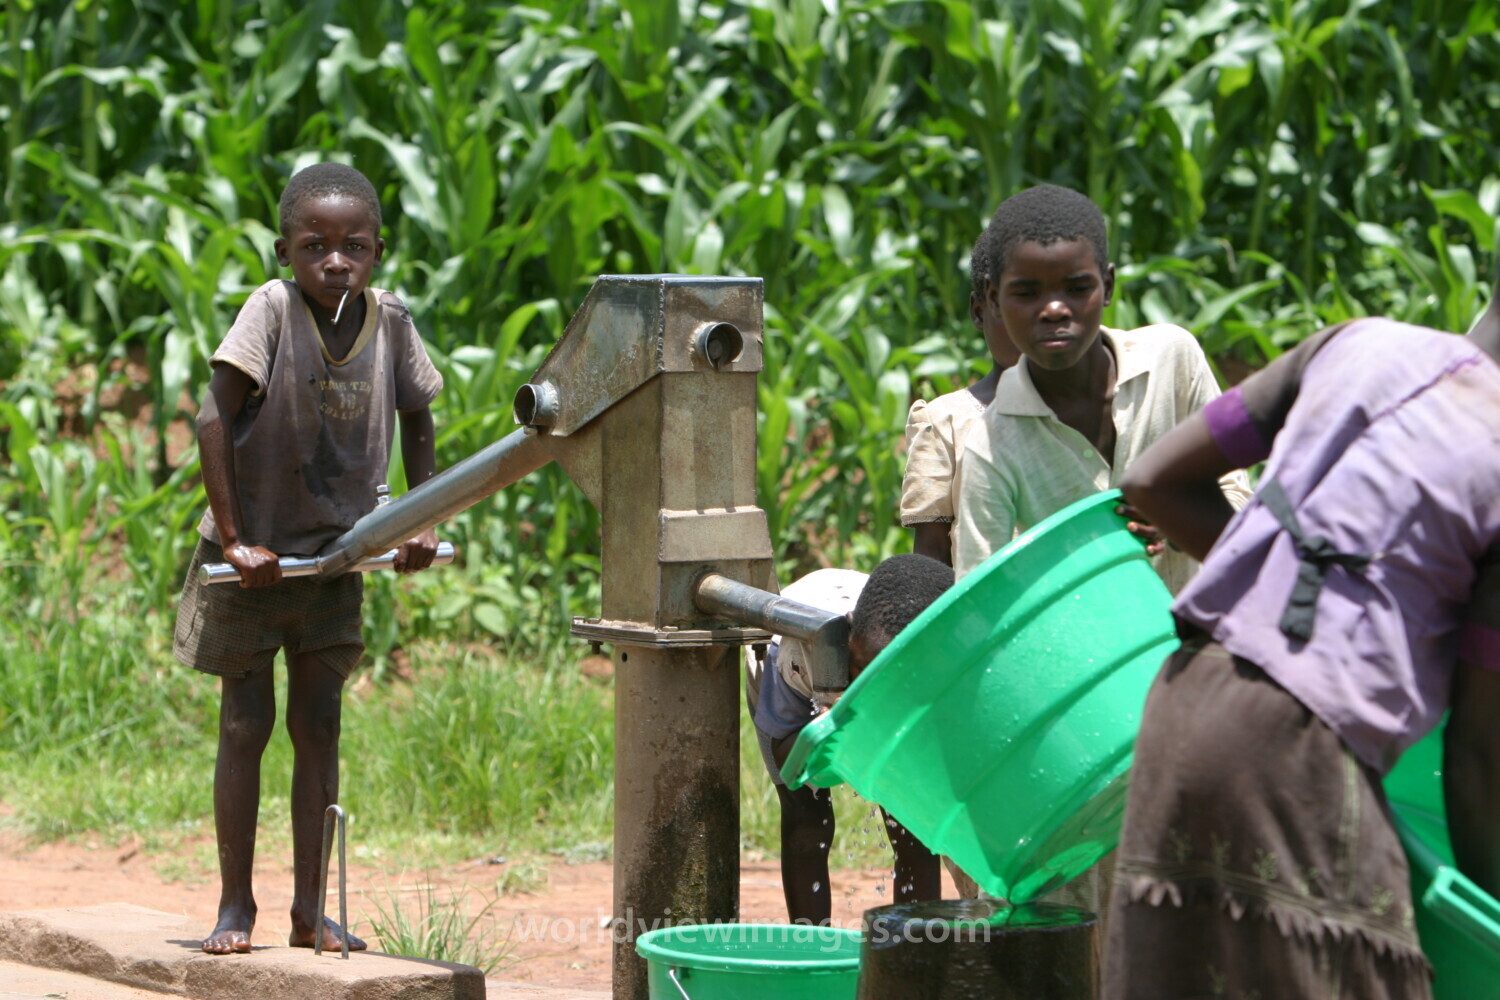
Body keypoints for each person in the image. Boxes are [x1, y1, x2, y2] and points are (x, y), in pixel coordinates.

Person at [1103, 282, 1500, 999]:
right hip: (1301, 751)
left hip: (1184, 705)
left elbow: (1152, 479)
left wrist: (1282, 588)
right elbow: (1479, 755)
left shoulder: (1356, 343)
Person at [173, 162, 444, 955]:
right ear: (287, 250)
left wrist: (418, 519)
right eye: (315, 245)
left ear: (378, 253)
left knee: (319, 726)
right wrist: (234, 539)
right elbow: (211, 418)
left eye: (353, 246)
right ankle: (234, 908)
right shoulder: (271, 310)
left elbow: (419, 415)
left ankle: (309, 909)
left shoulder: (389, 321)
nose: (335, 261)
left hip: (334, 560)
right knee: (245, 723)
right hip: (253, 566)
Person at [950, 184, 1251, 589]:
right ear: (993, 299)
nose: (1054, 309)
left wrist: (1180, 523)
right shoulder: (991, 446)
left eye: (1077, 289)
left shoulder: (1171, 360)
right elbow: (982, 594)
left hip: (1203, 630)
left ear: (1107, 286)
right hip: (1091, 649)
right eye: (1026, 293)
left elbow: (1234, 488)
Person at [745, 554, 955, 924]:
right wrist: (830, 728)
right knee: (808, 821)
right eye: (859, 672)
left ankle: (915, 946)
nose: (866, 690)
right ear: (851, 635)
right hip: (787, 675)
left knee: (911, 824)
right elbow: (788, 760)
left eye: (885, 680)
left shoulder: (930, 664)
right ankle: (811, 943)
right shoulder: (795, 654)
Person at [901, 221, 1022, 566]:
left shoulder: (1087, 409)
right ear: (979, 311)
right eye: (1007, 306)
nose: (1024, 326)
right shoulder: (945, 423)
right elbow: (932, 554)